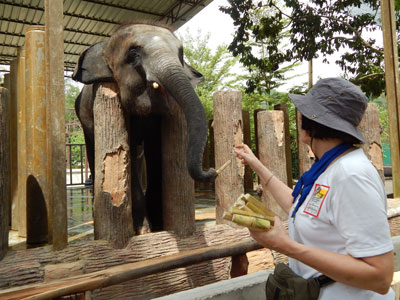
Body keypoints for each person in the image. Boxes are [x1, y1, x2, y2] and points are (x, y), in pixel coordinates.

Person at [234, 78, 394, 299]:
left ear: (315, 121)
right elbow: (300, 207)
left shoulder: (351, 175)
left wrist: (284, 245)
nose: (299, 116)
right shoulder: (330, 166)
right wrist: (256, 164)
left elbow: (380, 277)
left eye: (304, 111)